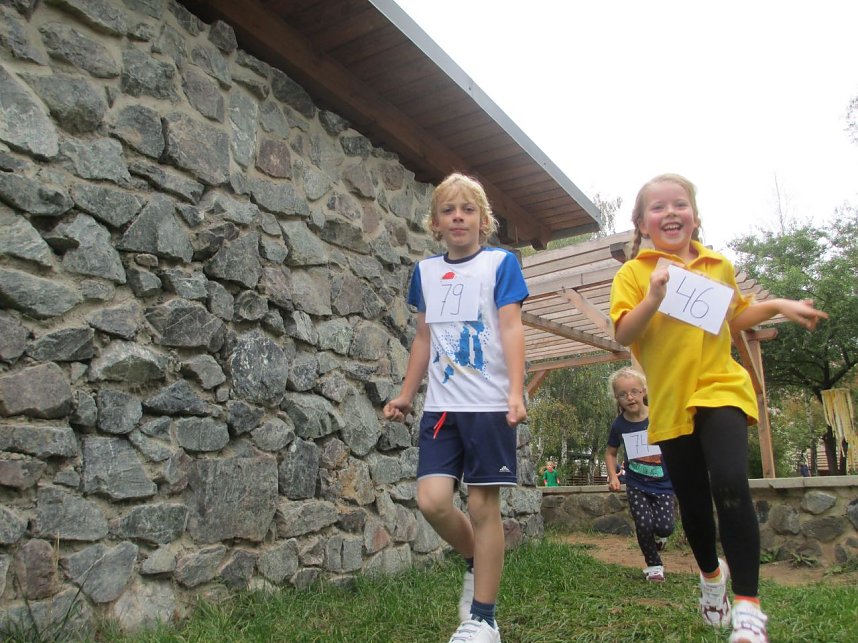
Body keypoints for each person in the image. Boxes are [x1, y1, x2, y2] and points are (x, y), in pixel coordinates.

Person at [609, 173, 828, 643]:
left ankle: (748, 611)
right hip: (670, 401)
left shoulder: (717, 266)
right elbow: (624, 333)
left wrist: (777, 305)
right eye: (658, 207)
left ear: (694, 215)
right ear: (642, 222)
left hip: (720, 386)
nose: (670, 212)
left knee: (729, 481)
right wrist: (655, 296)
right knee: (691, 500)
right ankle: (711, 577)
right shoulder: (634, 273)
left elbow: (734, 319)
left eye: (680, 204)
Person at [383, 172, 528, 643]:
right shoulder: (425, 273)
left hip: (489, 406)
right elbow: (424, 337)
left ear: (484, 220)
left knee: (484, 507)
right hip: (442, 408)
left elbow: (511, 329)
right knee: (432, 501)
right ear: (436, 222)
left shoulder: (501, 264)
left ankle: (483, 618)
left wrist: (515, 391)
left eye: (468, 209)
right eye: (449, 210)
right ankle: (475, 561)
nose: (459, 216)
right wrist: (407, 393)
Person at [605, 367, 674, 582]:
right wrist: (613, 475)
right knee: (643, 524)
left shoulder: (658, 416)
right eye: (623, 394)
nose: (630, 397)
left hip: (664, 483)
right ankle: (654, 565)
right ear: (617, 398)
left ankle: (660, 538)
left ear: (644, 391)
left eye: (634, 391)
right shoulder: (619, 425)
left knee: (665, 526)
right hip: (636, 483)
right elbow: (610, 452)